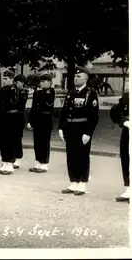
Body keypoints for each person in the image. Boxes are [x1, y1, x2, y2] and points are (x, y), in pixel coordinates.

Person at [59, 66, 99, 196]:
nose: (76, 78)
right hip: (70, 128)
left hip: (82, 129)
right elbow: (64, 112)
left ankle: (82, 183)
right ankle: (74, 181)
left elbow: (93, 116)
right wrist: (61, 127)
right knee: (71, 155)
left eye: (79, 76)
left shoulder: (90, 93)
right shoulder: (71, 93)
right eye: (75, 76)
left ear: (86, 78)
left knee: (82, 156)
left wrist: (88, 132)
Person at [0, 70, 23, 175]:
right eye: (4, 79)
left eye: (6, 79)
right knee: (2, 141)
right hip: (3, 118)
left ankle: (9, 164)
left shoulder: (15, 89)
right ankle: (4, 162)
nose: (4, 80)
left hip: (11, 117)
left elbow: (12, 103)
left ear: (12, 79)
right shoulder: (1, 90)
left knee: (10, 141)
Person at [27, 73, 55, 173]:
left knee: (44, 142)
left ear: (50, 82)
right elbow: (33, 108)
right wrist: (30, 121)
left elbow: (49, 104)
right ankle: (37, 162)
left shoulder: (51, 92)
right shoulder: (37, 93)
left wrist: (43, 93)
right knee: (37, 142)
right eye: (41, 81)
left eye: (45, 81)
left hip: (46, 119)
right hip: (38, 119)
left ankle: (44, 164)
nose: (42, 83)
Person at [110, 87, 129, 202]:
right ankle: (129, 188)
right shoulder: (127, 96)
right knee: (126, 158)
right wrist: (124, 121)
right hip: (129, 129)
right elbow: (114, 111)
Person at [12, 74, 29, 169]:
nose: (16, 84)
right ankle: (12, 157)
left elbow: (19, 104)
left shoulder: (23, 92)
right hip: (12, 117)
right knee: (11, 138)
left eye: (18, 82)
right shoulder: (14, 91)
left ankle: (18, 158)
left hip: (19, 117)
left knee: (17, 139)